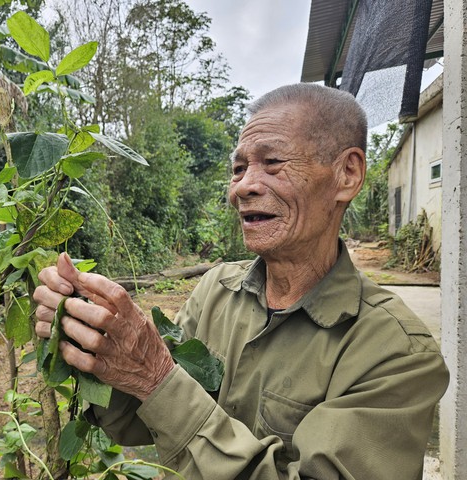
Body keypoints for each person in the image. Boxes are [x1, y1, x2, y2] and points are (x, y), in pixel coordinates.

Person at [33, 83, 449, 479]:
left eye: (272, 163)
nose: (244, 187)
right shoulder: (216, 290)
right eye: (238, 168)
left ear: (348, 174)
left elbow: (163, 389)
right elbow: (140, 424)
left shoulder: (397, 353)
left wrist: (155, 375)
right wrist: (95, 345)